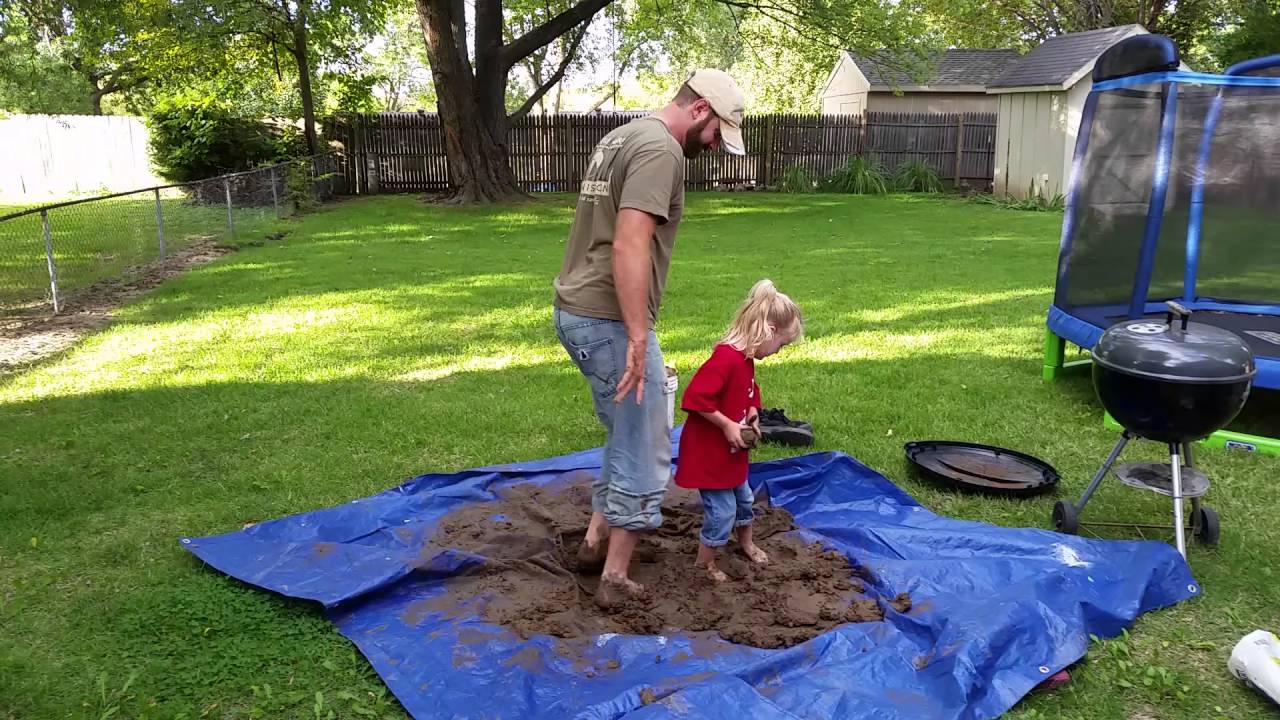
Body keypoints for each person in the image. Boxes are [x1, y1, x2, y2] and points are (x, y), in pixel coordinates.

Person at [552, 69, 747, 608]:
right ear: (702, 108)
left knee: (625, 430)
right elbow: (629, 241)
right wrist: (639, 336)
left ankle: (594, 541)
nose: (713, 147)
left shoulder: (623, 135)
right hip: (610, 320)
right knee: (649, 440)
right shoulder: (662, 150)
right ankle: (614, 575)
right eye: (715, 134)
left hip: (580, 309)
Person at [674, 279, 803, 582]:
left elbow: (749, 389)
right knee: (722, 512)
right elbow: (695, 398)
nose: (778, 351)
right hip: (711, 454)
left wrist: (753, 412)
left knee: (744, 501)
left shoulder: (745, 359)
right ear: (769, 331)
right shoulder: (726, 358)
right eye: (781, 344)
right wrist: (728, 424)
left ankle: (745, 541)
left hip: (731, 454)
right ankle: (703, 564)